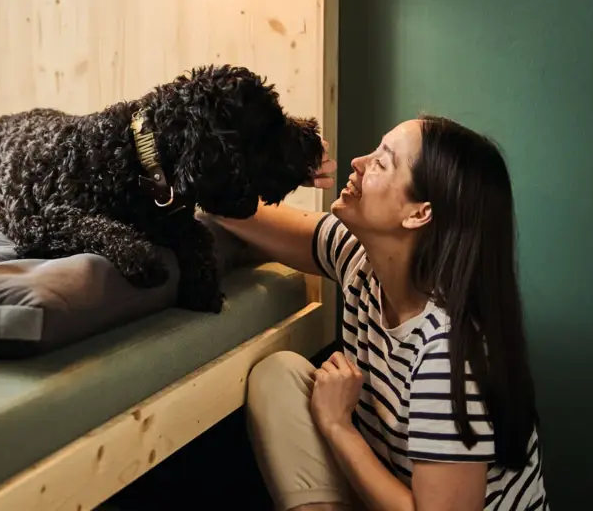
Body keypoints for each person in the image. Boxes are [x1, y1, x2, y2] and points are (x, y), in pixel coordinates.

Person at [213, 116, 548, 511]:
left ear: (419, 213)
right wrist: (276, 170)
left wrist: (338, 426)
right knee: (279, 376)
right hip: (388, 492)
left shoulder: (447, 350)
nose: (357, 161)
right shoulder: (360, 261)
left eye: (381, 162)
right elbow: (233, 214)